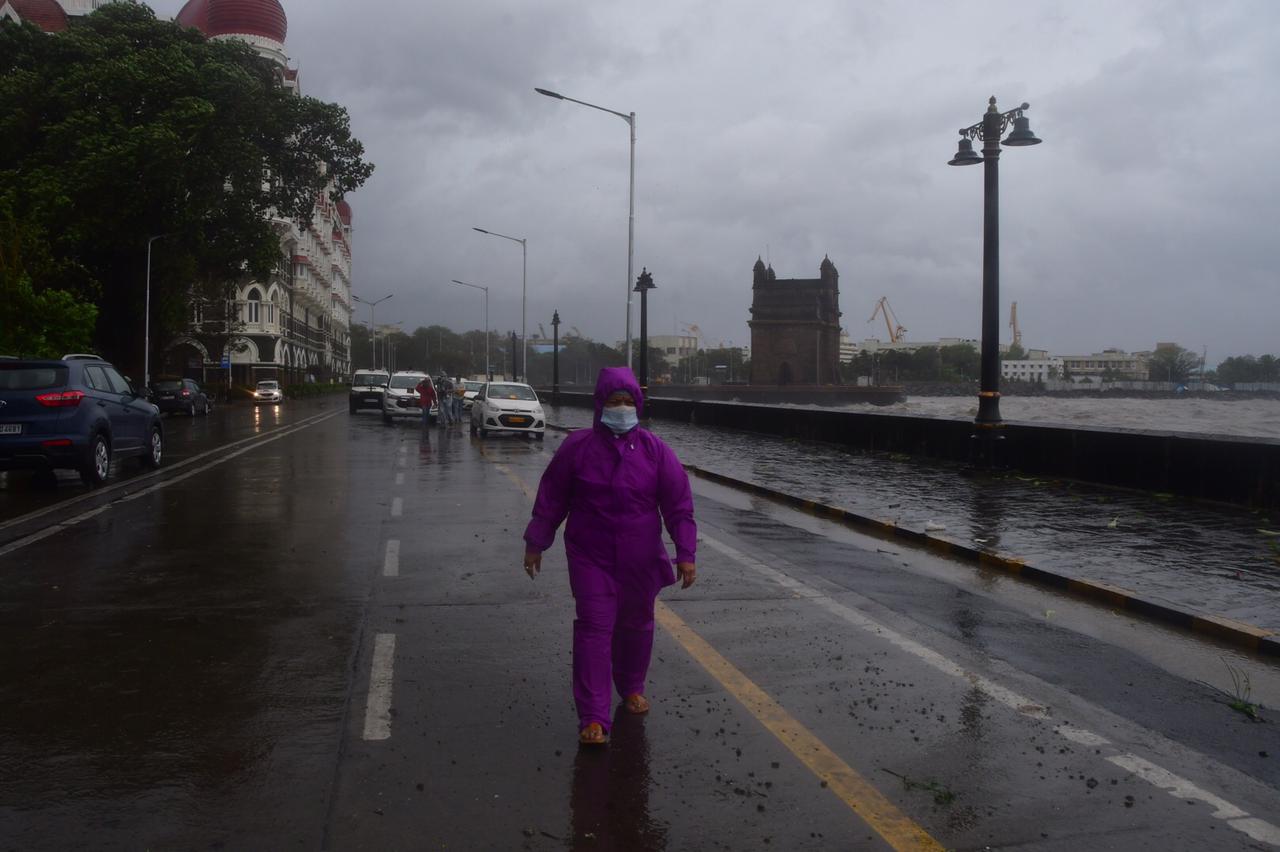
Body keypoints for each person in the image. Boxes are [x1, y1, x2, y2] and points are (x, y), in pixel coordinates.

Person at [523, 367, 697, 746]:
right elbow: (552, 499)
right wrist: (536, 541)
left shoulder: (655, 451)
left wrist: (686, 553)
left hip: (640, 556)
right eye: (614, 401)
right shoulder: (578, 448)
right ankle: (594, 715)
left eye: (628, 401)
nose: (622, 408)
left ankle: (631, 686)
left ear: (638, 404)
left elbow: (678, 506)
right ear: (599, 404)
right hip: (590, 554)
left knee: (636, 626)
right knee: (594, 627)